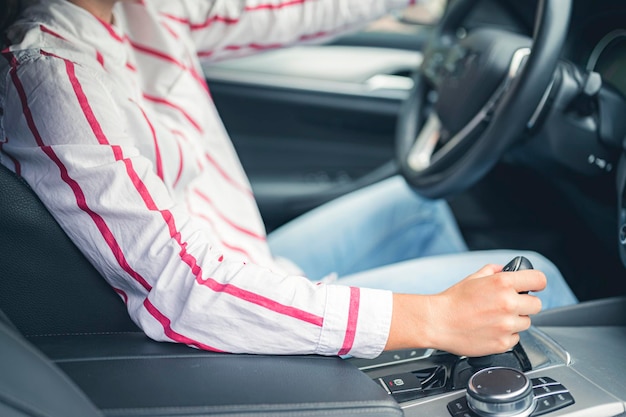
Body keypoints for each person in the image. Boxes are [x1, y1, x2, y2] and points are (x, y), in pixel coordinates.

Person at [0, 0, 577, 359]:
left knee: (414, 205)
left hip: (248, 254)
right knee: (539, 278)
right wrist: (434, 318)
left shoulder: (139, 11)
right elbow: (188, 289)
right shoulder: (53, 74)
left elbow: (286, 8)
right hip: (222, 320)